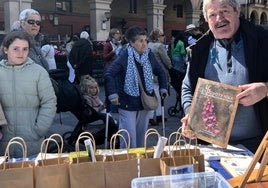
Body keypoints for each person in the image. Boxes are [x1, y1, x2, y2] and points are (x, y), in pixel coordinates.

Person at [181, 0, 268, 153]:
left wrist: (265, 89)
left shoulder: (263, 40)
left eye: (224, 11)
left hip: (259, 146)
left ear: (237, 11)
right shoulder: (199, 51)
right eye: (212, 14)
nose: (219, 18)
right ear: (207, 21)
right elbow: (187, 87)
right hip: (213, 147)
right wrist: (190, 112)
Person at [104, 26, 168, 148]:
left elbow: (160, 71)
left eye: (145, 40)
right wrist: (113, 94)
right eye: (140, 41)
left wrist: (163, 88)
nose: (144, 44)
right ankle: (127, 161)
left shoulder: (149, 55)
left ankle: (140, 161)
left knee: (141, 135)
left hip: (144, 102)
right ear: (132, 43)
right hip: (127, 102)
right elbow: (109, 74)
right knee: (128, 136)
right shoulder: (124, 56)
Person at [0, 31, 57, 158]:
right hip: (3, 143)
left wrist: (39, 129)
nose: (21, 53)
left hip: (32, 143)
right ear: (5, 49)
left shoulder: (39, 72)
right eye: (16, 49)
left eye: (25, 49)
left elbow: (49, 101)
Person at [147, 28, 172, 125]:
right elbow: (166, 60)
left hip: (149, 74)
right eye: (162, 35)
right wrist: (170, 66)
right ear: (157, 37)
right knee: (157, 96)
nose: (164, 37)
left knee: (154, 95)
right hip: (159, 74)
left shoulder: (148, 45)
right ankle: (152, 117)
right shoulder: (159, 46)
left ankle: (158, 115)